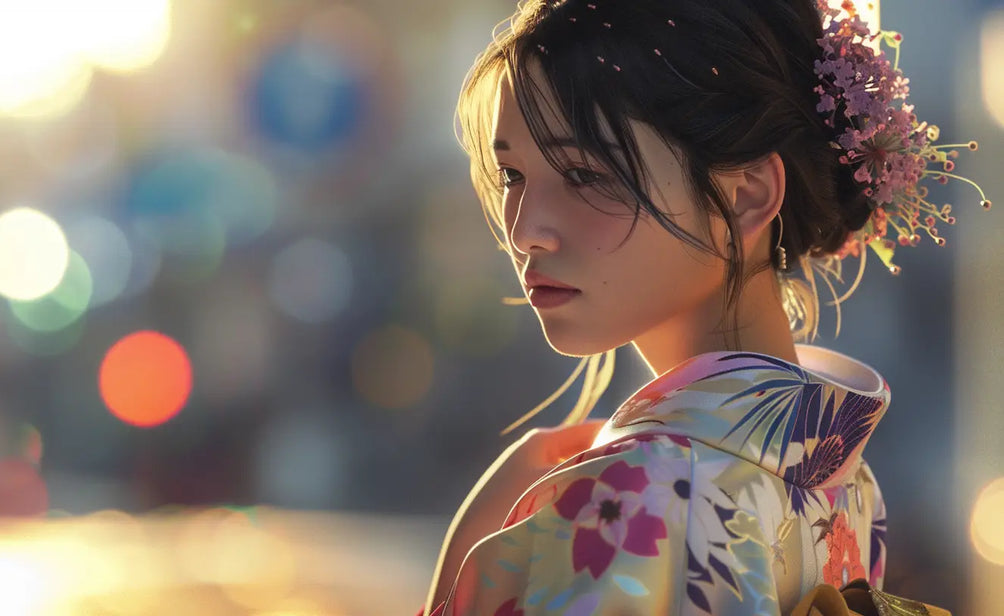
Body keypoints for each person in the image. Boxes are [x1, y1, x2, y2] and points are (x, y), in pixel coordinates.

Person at [420, 0, 986, 614]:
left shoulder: (634, 489)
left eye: (584, 174)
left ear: (747, 194)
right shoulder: (843, 479)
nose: (526, 230)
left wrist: (464, 567)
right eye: (512, 175)